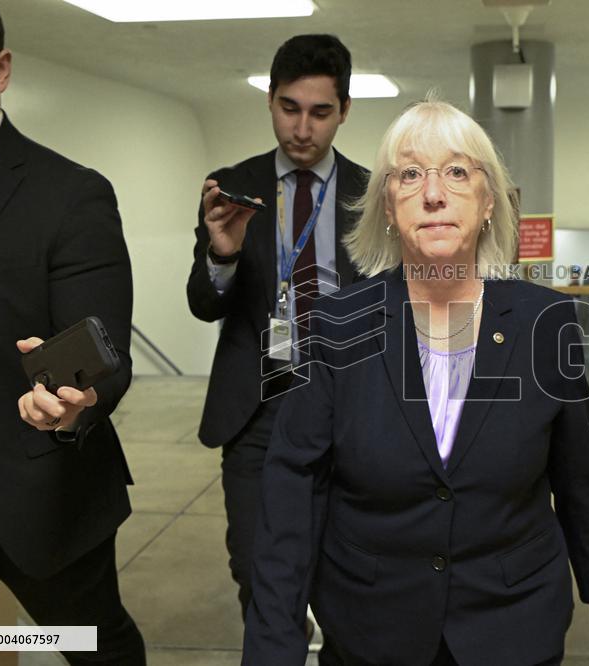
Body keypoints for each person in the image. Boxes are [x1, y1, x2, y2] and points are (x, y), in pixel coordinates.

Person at [242, 99, 589, 665]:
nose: (434, 193)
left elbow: (573, 466)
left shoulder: (548, 323)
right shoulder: (332, 324)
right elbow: (293, 486)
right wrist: (273, 641)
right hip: (372, 625)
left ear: (489, 201)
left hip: (512, 619)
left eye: (458, 172)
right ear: (389, 209)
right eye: (410, 174)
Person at [0, 1, 144, 663]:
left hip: (36, 491)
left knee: (88, 643)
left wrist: (74, 400)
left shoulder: (68, 193)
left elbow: (102, 347)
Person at [186, 33, 369, 619]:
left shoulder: (377, 196)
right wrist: (223, 255)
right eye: (289, 108)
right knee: (260, 578)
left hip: (351, 410)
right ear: (270, 100)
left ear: (344, 110)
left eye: (320, 112)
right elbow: (204, 303)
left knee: (351, 580)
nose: (302, 129)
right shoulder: (230, 187)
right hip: (257, 411)